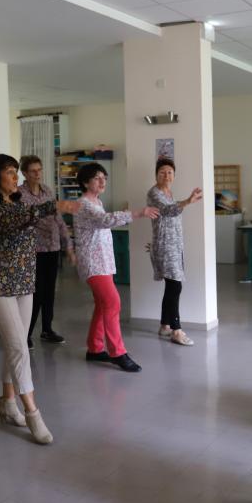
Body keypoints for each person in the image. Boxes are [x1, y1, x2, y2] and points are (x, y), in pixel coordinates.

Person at [0, 153, 79, 445]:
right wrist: (52, 205)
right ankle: (33, 412)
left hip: (21, 282)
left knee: (13, 345)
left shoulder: (17, 202)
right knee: (20, 346)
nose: (15, 177)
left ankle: (7, 403)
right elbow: (13, 220)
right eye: (9, 172)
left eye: (16, 172)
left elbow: (29, 220)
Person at [74, 162, 158, 373]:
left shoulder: (96, 201)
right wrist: (138, 213)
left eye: (104, 177)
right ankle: (118, 352)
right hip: (94, 264)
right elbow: (105, 221)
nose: (102, 181)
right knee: (113, 303)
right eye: (96, 178)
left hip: (103, 262)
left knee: (103, 305)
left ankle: (94, 348)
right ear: (85, 182)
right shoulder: (83, 204)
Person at [18, 155, 76, 348]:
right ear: (24, 173)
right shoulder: (19, 194)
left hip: (52, 247)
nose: (37, 174)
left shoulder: (48, 191)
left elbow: (58, 219)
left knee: (49, 292)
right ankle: (26, 333)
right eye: (33, 171)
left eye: (39, 170)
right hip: (33, 250)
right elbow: (27, 219)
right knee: (35, 293)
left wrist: (68, 245)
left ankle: (47, 329)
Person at [146, 158, 203, 346]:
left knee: (171, 285)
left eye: (170, 172)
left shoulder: (169, 193)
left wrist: (186, 201)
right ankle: (176, 330)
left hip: (175, 244)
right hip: (164, 245)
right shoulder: (154, 193)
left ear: (174, 175)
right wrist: (188, 201)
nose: (167, 175)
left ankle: (164, 325)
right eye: (162, 172)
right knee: (175, 286)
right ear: (156, 175)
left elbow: (172, 209)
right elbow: (168, 211)